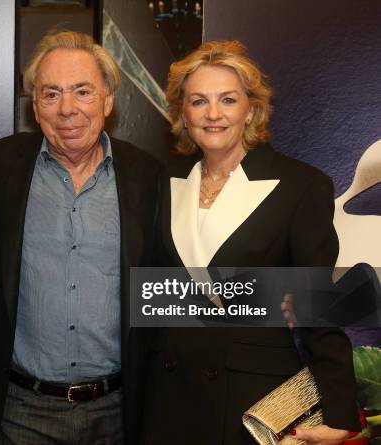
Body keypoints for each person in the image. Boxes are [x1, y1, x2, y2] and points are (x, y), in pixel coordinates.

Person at [140, 41, 361, 444]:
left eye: (228, 99)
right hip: (168, 393)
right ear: (182, 114)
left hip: (250, 398)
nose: (213, 114)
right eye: (198, 101)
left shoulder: (300, 185)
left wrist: (341, 410)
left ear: (251, 109)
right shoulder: (162, 181)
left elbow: (316, 305)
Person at [0, 31, 162, 445]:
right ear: (35, 106)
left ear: (108, 100)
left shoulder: (148, 176)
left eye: (82, 91)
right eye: (51, 94)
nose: (67, 109)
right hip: (23, 409)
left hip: (118, 411)